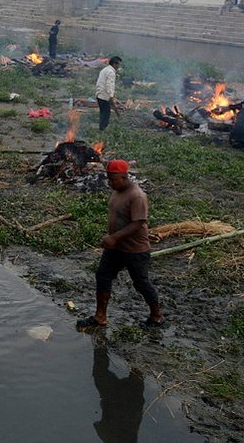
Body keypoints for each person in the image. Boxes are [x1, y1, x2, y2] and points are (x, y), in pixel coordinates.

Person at [77, 159, 163, 329]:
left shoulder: (137, 195)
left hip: (134, 250)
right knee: (102, 276)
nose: (110, 183)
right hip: (115, 248)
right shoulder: (117, 191)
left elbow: (138, 223)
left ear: (124, 177)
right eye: (108, 179)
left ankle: (156, 315)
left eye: (113, 179)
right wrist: (113, 239)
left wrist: (114, 237)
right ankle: (100, 316)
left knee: (141, 283)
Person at [95, 56, 122, 131]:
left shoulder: (105, 69)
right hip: (104, 96)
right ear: (114, 64)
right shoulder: (111, 72)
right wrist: (111, 97)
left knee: (103, 113)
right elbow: (109, 84)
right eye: (118, 64)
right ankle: (102, 130)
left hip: (100, 95)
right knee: (106, 114)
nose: (118, 66)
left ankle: (101, 129)